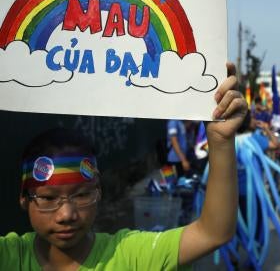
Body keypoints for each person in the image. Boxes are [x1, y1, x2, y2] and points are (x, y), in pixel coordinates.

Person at [0, 62, 247, 270]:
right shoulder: (11, 256)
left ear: (100, 193)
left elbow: (213, 233)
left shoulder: (127, 255)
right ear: (24, 199)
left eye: (83, 194)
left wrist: (221, 141)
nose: (66, 215)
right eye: (48, 198)